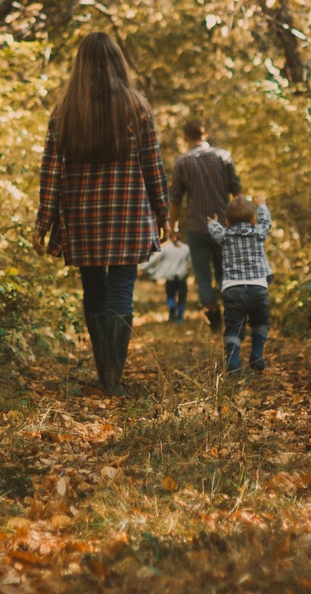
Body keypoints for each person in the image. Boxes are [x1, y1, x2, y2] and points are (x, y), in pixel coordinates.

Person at [35, 32, 168, 395]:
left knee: (93, 290)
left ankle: (104, 374)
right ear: (117, 63)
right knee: (121, 290)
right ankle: (114, 378)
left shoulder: (64, 112)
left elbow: (51, 171)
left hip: (82, 215)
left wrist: (43, 222)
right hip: (126, 212)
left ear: (80, 66)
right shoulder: (136, 107)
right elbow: (152, 165)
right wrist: (162, 212)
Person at [168, 121, 241, 331]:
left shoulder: (183, 162)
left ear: (185, 137)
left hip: (197, 227)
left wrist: (173, 228)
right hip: (224, 227)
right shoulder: (223, 156)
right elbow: (236, 191)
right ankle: (232, 315)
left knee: (202, 276)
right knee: (224, 273)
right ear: (205, 133)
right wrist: (240, 221)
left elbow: (175, 199)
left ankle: (214, 319)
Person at [206, 196, 273, 373]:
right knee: (260, 322)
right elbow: (266, 221)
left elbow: (215, 230)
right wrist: (262, 206)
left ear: (227, 221)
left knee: (233, 326)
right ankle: (257, 354)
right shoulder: (258, 232)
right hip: (258, 287)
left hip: (232, 289)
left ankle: (233, 361)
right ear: (253, 220)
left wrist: (212, 222)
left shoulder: (225, 235)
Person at [140, 234, 191, 322]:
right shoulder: (186, 248)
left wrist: (142, 267)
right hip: (181, 276)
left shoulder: (167, 248)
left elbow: (154, 259)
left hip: (170, 277)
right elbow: (191, 261)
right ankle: (180, 318)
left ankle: (172, 308)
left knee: (170, 296)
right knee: (182, 298)